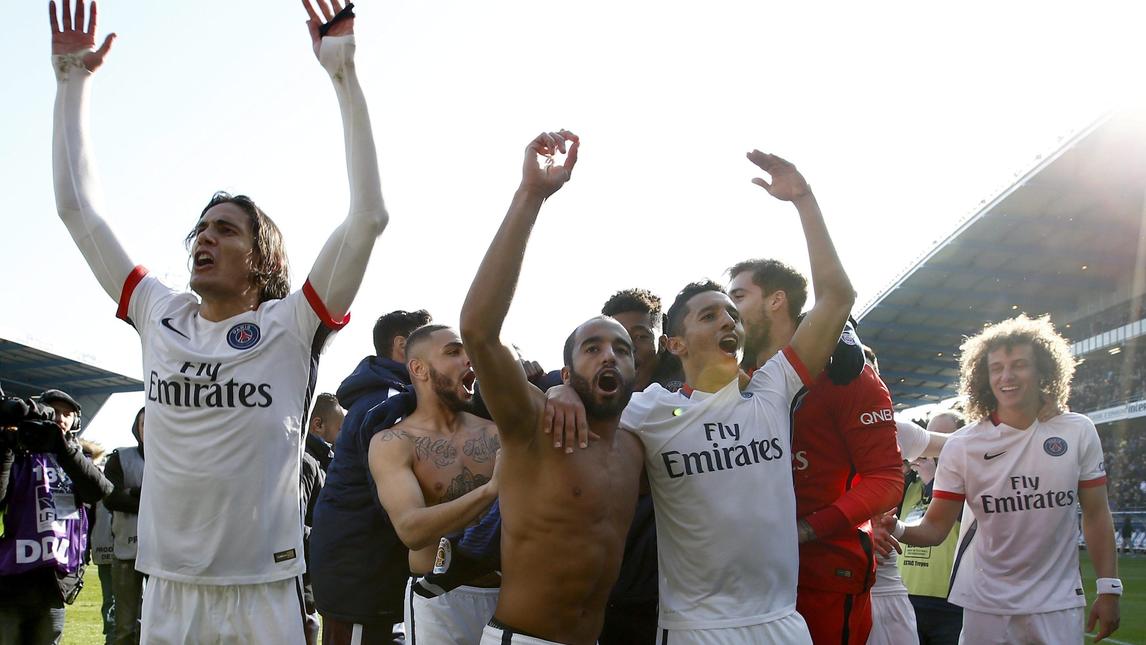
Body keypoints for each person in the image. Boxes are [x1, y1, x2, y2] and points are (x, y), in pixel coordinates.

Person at [49, 0, 389, 640]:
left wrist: (344, 74)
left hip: (264, 591)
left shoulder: (292, 326)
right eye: (200, 229)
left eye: (224, 229)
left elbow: (368, 217)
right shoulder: (159, 312)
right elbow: (77, 211)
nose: (203, 239)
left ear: (260, 258)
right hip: (170, 590)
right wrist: (71, 81)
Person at [620, 150, 856, 643]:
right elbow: (586, 417)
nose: (728, 320)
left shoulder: (772, 389)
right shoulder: (648, 410)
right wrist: (561, 392)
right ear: (675, 344)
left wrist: (804, 202)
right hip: (695, 628)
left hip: (783, 623)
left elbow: (837, 298)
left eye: (731, 313)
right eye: (709, 316)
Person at [461, 130, 646, 645]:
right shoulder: (536, 426)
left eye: (622, 348)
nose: (609, 354)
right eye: (591, 348)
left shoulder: (638, 446)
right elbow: (478, 329)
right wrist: (530, 196)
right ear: (565, 374)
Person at [880, 315, 1121, 644]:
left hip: (1058, 604)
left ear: (1043, 371)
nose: (1007, 376)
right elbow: (935, 528)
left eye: (1020, 364)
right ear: (983, 376)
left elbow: (1095, 513)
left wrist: (1109, 587)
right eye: (996, 368)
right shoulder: (963, 446)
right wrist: (895, 528)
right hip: (986, 606)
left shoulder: (1077, 430)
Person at [728, 257, 902, 644]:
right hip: (745, 580)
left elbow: (887, 480)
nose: (729, 310)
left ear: (776, 301)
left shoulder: (847, 375)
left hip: (822, 577)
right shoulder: (731, 379)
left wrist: (806, 530)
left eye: (738, 296)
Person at [369, 324, 501, 644]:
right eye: (454, 352)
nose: (467, 359)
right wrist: (491, 490)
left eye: (468, 352)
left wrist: (557, 390)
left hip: (509, 596)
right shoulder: (394, 442)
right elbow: (411, 529)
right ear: (418, 368)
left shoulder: (497, 432)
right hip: (439, 602)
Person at [312, 309, 431, 645]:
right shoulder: (387, 403)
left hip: (368, 573)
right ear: (403, 345)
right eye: (442, 347)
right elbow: (390, 501)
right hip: (360, 578)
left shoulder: (391, 396)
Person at [0, 389, 113, 644]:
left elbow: (99, 490)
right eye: (54, 412)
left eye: (67, 414)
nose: (60, 418)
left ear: (76, 421)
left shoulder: (75, 457)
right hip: (11, 580)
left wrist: (62, 447)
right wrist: (7, 447)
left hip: (53, 584)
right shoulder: (18, 453)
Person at [899, 410, 966, 645]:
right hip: (907, 596)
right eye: (930, 436)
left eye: (943, 438)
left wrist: (933, 481)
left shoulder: (970, 478)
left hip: (949, 600)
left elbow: (963, 518)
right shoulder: (911, 481)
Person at [103, 408, 145, 645]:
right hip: (127, 550)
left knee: (163, 623)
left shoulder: (177, 458)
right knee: (125, 626)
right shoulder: (120, 457)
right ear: (136, 428)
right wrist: (152, 498)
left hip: (166, 555)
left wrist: (134, 493)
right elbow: (111, 497)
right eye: (144, 424)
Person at [306, 393, 345, 473]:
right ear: (318, 425)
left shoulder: (319, 463)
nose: (343, 437)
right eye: (340, 430)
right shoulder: (307, 465)